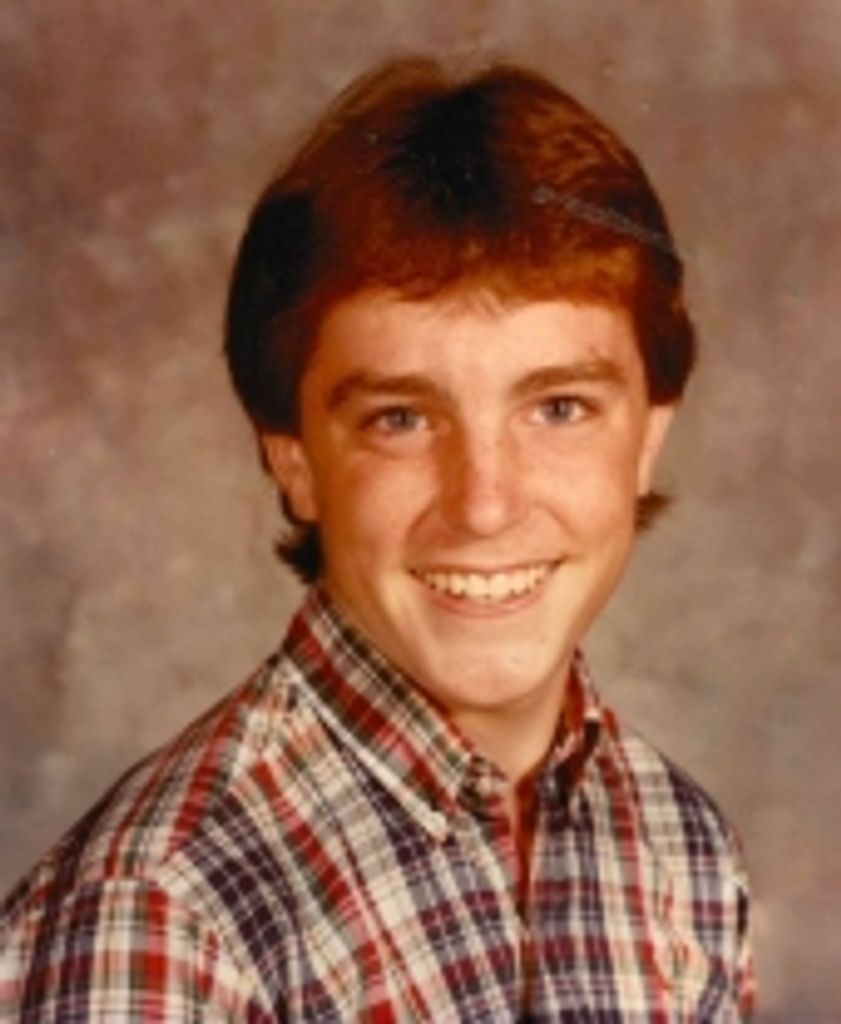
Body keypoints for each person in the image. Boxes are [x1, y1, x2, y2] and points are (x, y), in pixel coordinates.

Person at [0, 57, 755, 1021]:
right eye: (401, 419)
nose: (483, 505)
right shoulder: (162, 916)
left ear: (646, 437)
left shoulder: (679, 846)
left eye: (558, 408)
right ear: (294, 460)